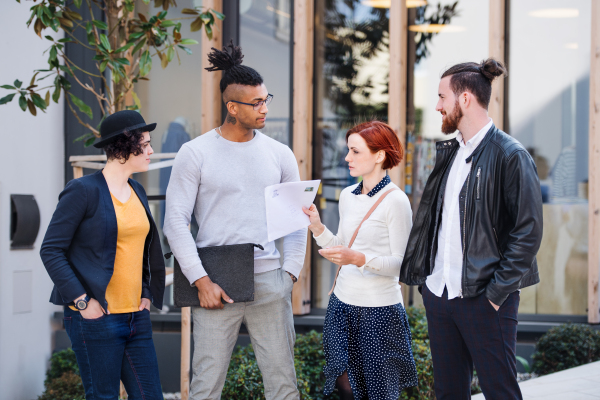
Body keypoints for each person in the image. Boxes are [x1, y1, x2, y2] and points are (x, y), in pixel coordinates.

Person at [163, 41, 307, 400]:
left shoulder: (279, 154)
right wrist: (200, 280)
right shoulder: (195, 153)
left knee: (283, 385)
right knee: (205, 386)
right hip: (216, 285)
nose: (265, 108)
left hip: (270, 281)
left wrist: (289, 274)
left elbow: (295, 220)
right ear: (232, 106)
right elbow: (175, 222)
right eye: (256, 103)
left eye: (266, 99)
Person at [399, 58, 543, 399]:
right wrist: (430, 289)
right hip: (440, 295)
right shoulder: (450, 153)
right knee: (448, 393)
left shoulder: (510, 154)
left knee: (500, 391)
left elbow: (528, 233)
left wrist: (494, 295)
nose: (436, 106)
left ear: (464, 99)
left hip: (484, 298)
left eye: (441, 97)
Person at [40, 110, 166, 399]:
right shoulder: (82, 190)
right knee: (103, 396)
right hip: (97, 318)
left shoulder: (137, 190)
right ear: (124, 147)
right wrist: (83, 302)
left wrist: (146, 292)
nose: (151, 151)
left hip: (136, 316)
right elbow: (51, 250)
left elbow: (139, 250)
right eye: (145, 144)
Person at [303, 121, 418, 400]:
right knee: (346, 389)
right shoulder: (347, 196)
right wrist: (318, 228)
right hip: (341, 305)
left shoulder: (397, 201)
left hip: (379, 311)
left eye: (355, 151)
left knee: (378, 392)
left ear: (379, 156)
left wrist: (359, 258)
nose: (347, 158)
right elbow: (343, 246)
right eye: (348, 151)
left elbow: (402, 266)